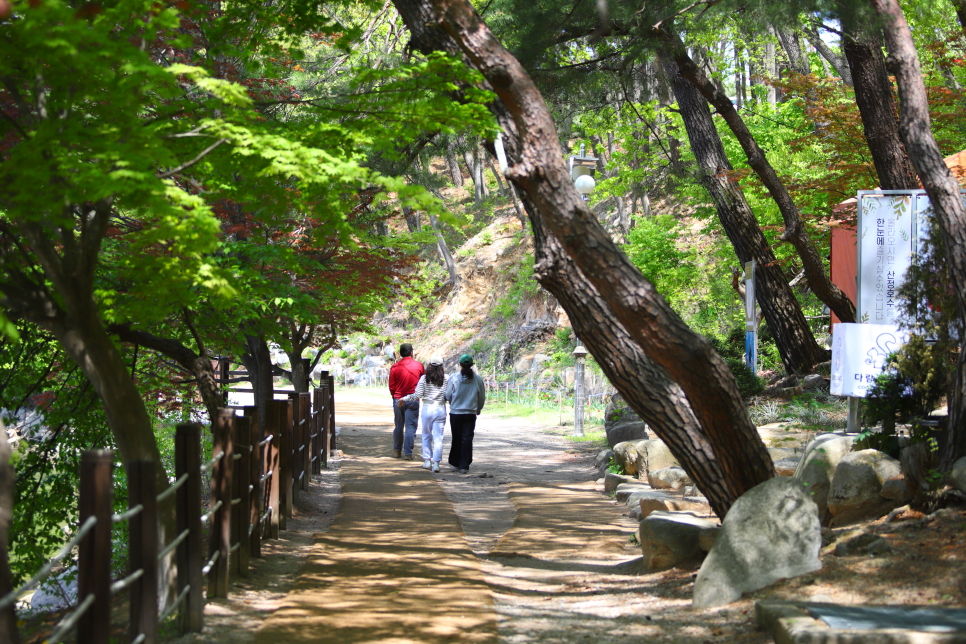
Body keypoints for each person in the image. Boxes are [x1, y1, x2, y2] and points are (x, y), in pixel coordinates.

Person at [399, 355, 447, 473]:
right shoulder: (446, 378)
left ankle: (427, 461)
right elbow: (449, 394)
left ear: (429, 365)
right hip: (440, 408)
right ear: (441, 366)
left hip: (427, 408)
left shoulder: (424, 378)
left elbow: (417, 395)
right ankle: (436, 463)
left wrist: (404, 399)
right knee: (438, 437)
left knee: (426, 435)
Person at [444, 353, 485, 474]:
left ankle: (455, 463)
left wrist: (452, 403)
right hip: (470, 413)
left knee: (456, 437)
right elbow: (481, 396)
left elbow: (447, 395)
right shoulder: (477, 379)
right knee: (467, 438)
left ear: (460, 365)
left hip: (455, 413)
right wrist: (479, 408)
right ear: (472, 365)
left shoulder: (453, 378)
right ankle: (464, 465)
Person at [388, 343, 424, 459]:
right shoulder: (419, 366)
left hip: (398, 399)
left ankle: (397, 450)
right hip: (413, 399)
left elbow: (391, 385)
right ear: (411, 353)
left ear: (400, 353)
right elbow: (423, 382)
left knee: (398, 425)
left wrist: (395, 396)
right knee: (410, 426)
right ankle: (408, 453)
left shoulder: (395, 367)